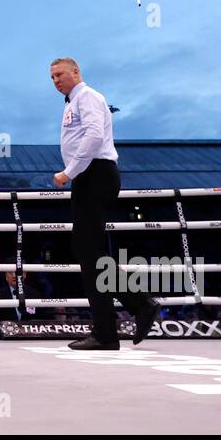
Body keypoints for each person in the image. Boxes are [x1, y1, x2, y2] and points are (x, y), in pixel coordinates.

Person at [49, 57, 157, 350]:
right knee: (88, 252)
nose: (55, 80)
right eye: (52, 77)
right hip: (89, 176)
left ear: (76, 72)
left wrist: (68, 173)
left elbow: (95, 136)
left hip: (94, 173)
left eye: (59, 74)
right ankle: (113, 326)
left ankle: (134, 309)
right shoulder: (74, 102)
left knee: (87, 251)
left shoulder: (88, 96)